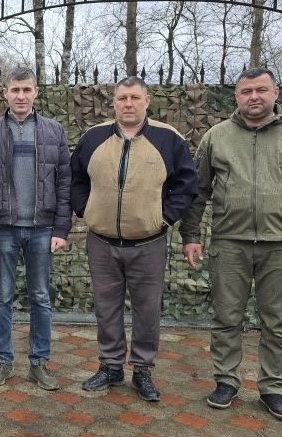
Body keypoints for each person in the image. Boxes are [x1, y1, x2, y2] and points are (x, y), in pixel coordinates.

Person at [180, 67, 282, 421]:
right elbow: (197, 190)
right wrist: (190, 236)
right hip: (230, 243)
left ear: (275, 93)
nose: (254, 97)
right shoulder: (216, 137)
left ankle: (272, 388)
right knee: (226, 317)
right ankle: (226, 381)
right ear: (236, 96)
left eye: (261, 90)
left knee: (277, 321)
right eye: (246, 91)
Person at [70, 76, 197, 402]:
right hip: (102, 242)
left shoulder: (169, 139)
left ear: (147, 100)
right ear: (113, 102)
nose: (128, 103)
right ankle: (111, 366)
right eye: (122, 98)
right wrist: (85, 209)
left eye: (135, 97)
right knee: (106, 308)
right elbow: (75, 178)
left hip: (148, 243)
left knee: (147, 310)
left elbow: (186, 185)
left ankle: (142, 370)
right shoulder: (93, 137)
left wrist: (164, 218)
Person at [0, 67, 71, 390]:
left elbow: (64, 181)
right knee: (2, 297)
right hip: (2, 227)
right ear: (5, 92)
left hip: (42, 228)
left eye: (26, 89)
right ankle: (3, 361)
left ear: (36, 92)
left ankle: (39, 363)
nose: (21, 96)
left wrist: (61, 229)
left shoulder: (53, 131)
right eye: (15, 90)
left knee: (41, 297)